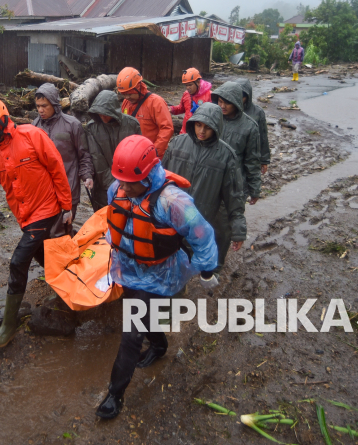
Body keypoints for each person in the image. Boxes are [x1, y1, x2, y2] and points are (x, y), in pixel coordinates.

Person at [96, 135, 218, 420]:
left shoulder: (172, 201)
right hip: (127, 268)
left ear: (148, 174)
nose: (121, 187)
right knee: (140, 317)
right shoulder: (118, 187)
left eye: (128, 182)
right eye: (120, 180)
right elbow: (117, 220)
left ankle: (115, 394)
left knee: (130, 334)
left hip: (159, 273)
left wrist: (207, 270)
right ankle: (160, 345)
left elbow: (202, 235)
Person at [0, 98, 73, 348]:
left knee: (19, 260)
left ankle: (9, 325)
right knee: (42, 254)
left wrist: (66, 205)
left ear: (1, 122)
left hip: (46, 209)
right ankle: (68, 288)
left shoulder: (31, 135)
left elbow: (57, 167)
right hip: (25, 215)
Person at [163, 103, 247, 271]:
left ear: (217, 128)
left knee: (192, 255)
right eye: (199, 125)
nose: (201, 131)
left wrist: (238, 230)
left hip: (201, 217)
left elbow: (234, 195)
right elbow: (161, 177)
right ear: (193, 122)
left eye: (208, 128)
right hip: (171, 215)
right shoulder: (178, 143)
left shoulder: (226, 155)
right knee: (169, 255)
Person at [32, 83, 93, 223]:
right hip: (43, 191)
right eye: (38, 106)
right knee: (45, 232)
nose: (41, 110)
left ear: (54, 103)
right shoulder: (34, 126)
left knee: (64, 231)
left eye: (44, 106)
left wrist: (87, 175)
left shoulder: (72, 125)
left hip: (68, 188)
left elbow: (83, 153)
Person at [85, 90, 142, 211]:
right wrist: (114, 186)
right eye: (99, 113)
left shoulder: (132, 125)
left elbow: (139, 155)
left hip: (130, 183)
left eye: (105, 113)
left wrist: (126, 185)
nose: (102, 116)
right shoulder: (92, 128)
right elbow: (97, 159)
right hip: (103, 187)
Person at [211, 81, 262, 203]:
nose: (222, 106)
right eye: (220, 101)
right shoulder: (212, 119)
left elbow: (252, 160)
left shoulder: (249, 127)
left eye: (227, 102)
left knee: (230, 218)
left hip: (234, 183)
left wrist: (254, 189)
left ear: (237, 102)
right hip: (211, 180)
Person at [116, 67, 174, 158]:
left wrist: (153, 152)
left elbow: (167, 128)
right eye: (124, 94)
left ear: (138, 87)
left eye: (129, 94)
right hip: (132, 155)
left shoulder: (156, 102)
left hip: (152, 156)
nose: (127, 97)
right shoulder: (126, 103)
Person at [237, 78, 271, 175]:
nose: (239, 99)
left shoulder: (258, 112)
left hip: (251, 155)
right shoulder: (229, 109)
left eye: (242, 96)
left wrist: (264, 160)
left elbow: (263, 137)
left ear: (248, 96)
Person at [168, 68, 212, 135]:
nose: (188, 88)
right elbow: (181, 108)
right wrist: (172, 109)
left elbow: (213, 116)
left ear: (198, 82)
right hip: (185, 132)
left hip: (200, 133)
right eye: (186, 85)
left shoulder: (209, 95)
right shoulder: (186, 94)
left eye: (190, 85)